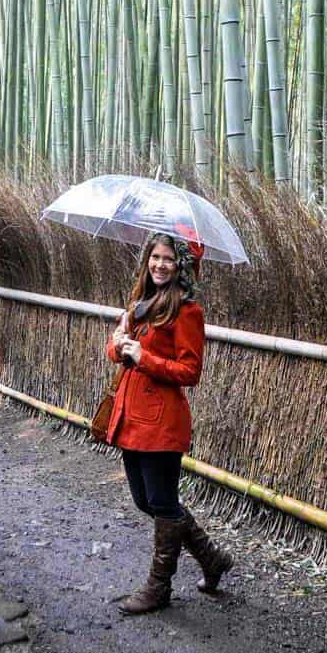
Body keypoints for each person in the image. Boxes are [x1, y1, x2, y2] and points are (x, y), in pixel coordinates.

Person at [105, 231, 233, 615]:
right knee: (148, 501)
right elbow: (116, 353)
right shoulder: (139, 304)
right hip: (131, 416)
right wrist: (118, 341)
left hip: (162, 421)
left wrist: (146, 358)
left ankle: (158, 588)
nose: (159, 265)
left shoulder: (187, 310)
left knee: (161, 503)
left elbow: (190, 371)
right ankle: (211, 558)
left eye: (168, 259)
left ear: (181, 267)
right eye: (155, 257)